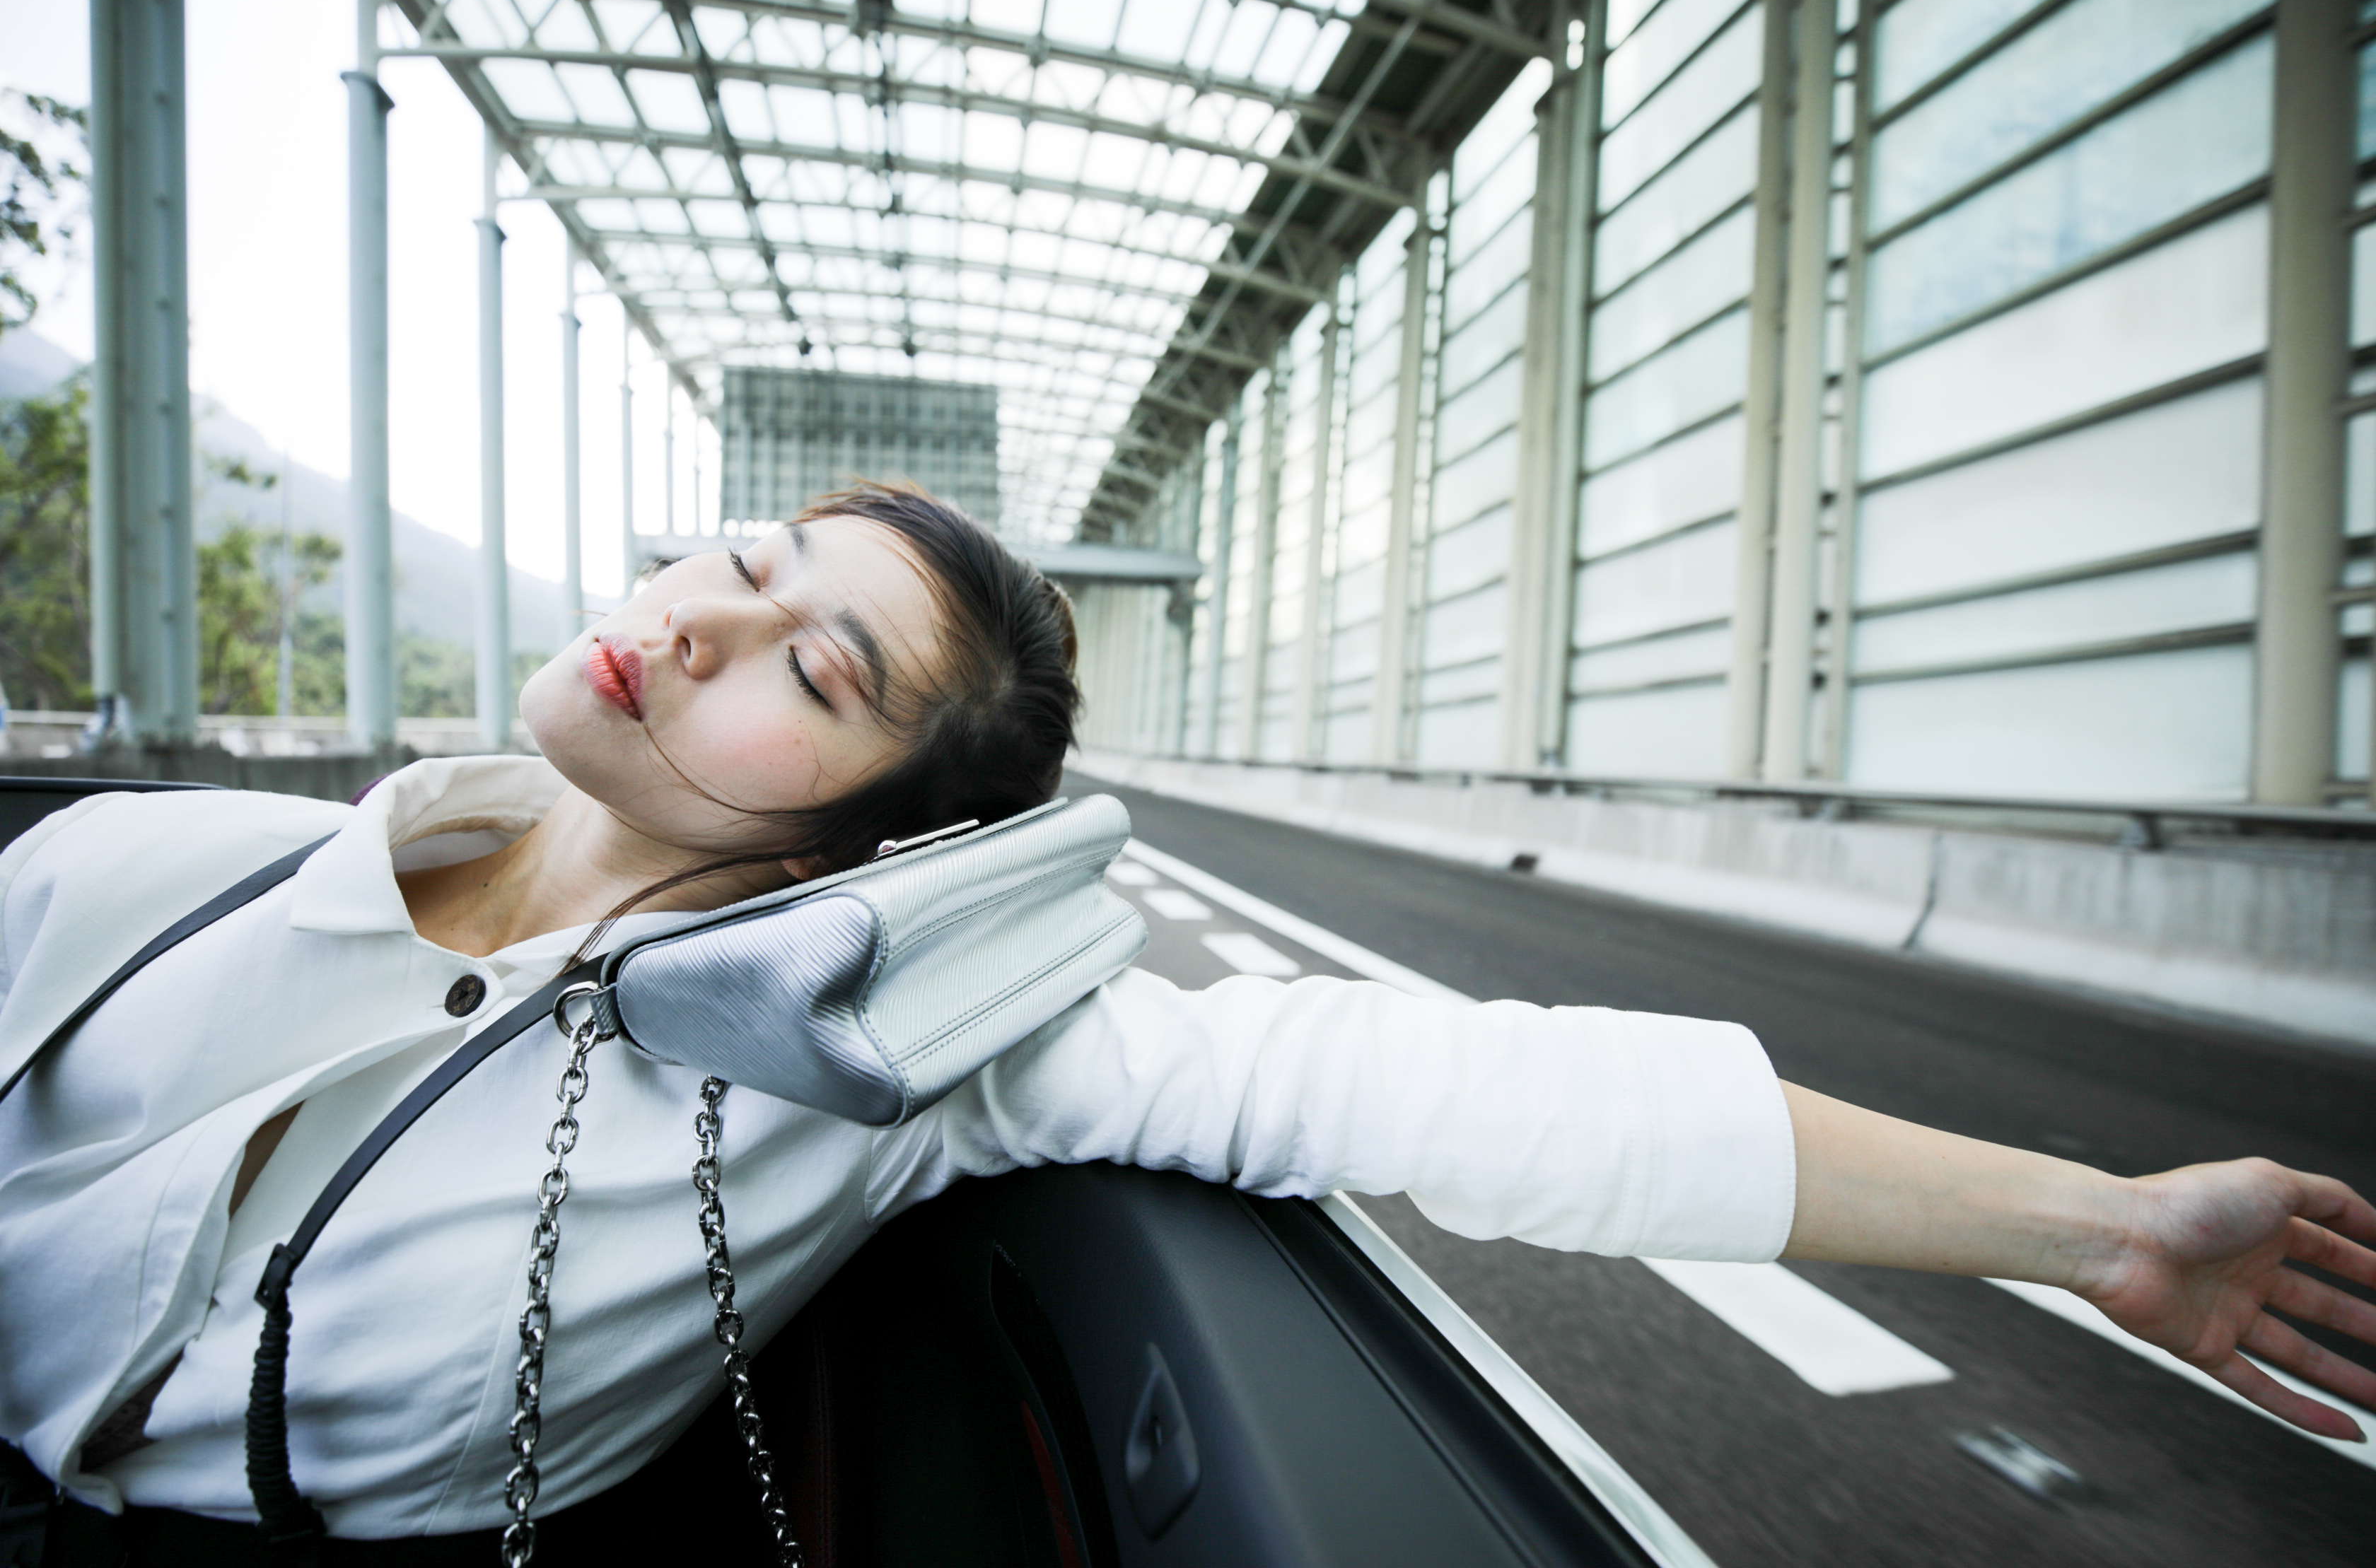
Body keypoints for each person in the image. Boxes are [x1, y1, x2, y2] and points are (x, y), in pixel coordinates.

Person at [1, 484, 2370, 1560]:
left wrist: (2101, 1228)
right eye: (744, 560)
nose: (700, 619)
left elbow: (1490, 1088)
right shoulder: (114, 878)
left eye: (815, 664)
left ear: (868, 839)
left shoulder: (903, 1067)